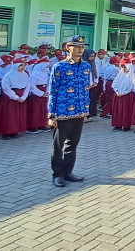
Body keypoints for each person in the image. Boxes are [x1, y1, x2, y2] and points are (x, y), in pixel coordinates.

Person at [48, 35, 92, 188]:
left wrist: (86, 111)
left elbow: (86, 90)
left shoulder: (86, 66)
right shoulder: (59, 67)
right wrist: (51, 114)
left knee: (72, 145)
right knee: (58, 146)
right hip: (62, 112)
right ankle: (57, 174)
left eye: (82, 47)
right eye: (76, 47)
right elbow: (53, 91)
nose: (80, 49)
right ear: (68, 47)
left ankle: (68, 172)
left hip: (79, 112)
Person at [0, 57, 30, 139]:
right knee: (9, 115)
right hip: (11, 98)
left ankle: (15, 131)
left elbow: (28, 86)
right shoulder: (8, 75)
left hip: (22, 95)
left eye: (24, 65)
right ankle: (6, 132)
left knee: (18, 115)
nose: (22, 67)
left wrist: (24, 97)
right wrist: (15, 97)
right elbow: (6, 88)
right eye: (21, 65)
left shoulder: (25, 74)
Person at [111, 58, 135, 131]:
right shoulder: (120, 74)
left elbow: (131, 86)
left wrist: (124, 93)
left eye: (124, 67)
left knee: (126, 111)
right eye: (122, 67)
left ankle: (126, 125)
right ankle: (118, 125)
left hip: (127, 96)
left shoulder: (131, 76)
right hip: (118, 96)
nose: (123, 69)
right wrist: (117, 92)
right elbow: (114, 84)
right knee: (117, 110)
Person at [26, 58, 51, 133]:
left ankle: (42, 124)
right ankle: (33, 126)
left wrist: (47, 92)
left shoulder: (46, 74)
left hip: (44, 93)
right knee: (35, 110)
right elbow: (32, 85)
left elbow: (48, 83)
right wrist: (40, 93)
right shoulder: (34, 75)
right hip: (36, 94)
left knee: (43, 110)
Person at [82, 49, 100, 119]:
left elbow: (96, 74)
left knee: (92, 99)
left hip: (93, 85)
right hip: (85, 86)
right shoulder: (82, 64)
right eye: (91, 56)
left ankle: (91, 113)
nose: (92, 58)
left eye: (93, 56)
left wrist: (95, 82)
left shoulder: (94, 64)